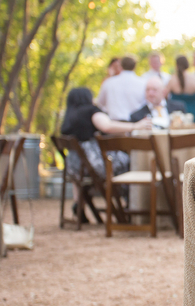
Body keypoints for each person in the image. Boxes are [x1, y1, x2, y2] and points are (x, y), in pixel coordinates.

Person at [61, 87, 151, 220]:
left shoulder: (69, 116)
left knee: (86, 175)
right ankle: (129, 203)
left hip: (74, 167)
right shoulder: (91, 111)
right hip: (95, 163)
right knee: (128, 162)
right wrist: (135, 126)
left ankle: (78, 204)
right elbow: (106, 126)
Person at [95, 55, 146, 121]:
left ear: (121, 66)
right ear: (135, 66)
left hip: (114, 124)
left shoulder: (109, 82)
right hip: (136, 123)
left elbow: (100, 103)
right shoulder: (143, 83)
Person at [166, 55, 195, 123]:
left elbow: (164, 96)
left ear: (176, 65)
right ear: (187, 65)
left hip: (177, 117)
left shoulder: (172, 80)